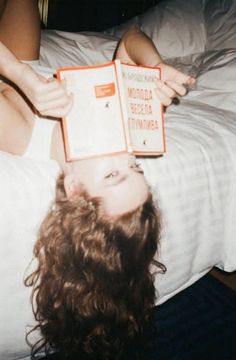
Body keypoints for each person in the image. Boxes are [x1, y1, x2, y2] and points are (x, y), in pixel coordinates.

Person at [0, 1, 195, 358]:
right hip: (23, 61)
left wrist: (23, 77)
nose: (125, 154)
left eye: (112, 174)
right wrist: (153, 68)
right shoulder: (123, 132)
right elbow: (130, 39)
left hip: (12, 70)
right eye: (136, 168)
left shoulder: (20, 134)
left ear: (74, 187)